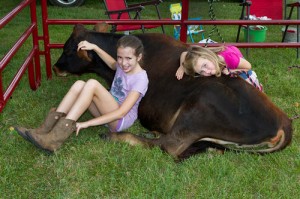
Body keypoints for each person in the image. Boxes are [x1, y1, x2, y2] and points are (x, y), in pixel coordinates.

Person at [15, 35, 149, 153]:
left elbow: (121, 113)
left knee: (92, 84)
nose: (123, 63)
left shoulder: (140, 79)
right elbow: (113, 64)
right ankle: (45, 129)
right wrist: (95, 47)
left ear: (139, 57)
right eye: (120, 57)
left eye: (128, 58)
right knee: (79, 85)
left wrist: (88, 123)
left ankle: (55, 139)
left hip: (118, 121)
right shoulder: (122, 64)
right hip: (106, 112)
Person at [175, 45, 263, 91]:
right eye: (201, 72)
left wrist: (231, 70)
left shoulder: (230, 59)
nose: (206, 71)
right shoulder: (200, 60)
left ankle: (258, 87)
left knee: (246, 84)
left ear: (208, 56)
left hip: (237, 62)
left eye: (205, 65)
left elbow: (248, 67)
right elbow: (184, 53)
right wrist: (182, 66)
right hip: (220, 60)